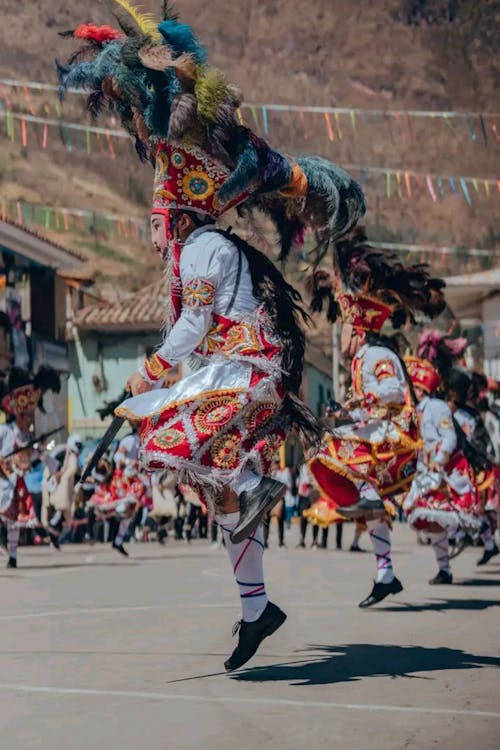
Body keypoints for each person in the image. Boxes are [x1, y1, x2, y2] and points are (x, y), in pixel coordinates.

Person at [58, 5, 364, 670]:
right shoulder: (198, 250)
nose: (153, 224)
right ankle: (257, 606)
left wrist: (143, 377)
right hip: (229, 372)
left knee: (168, 442)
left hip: (246, 373)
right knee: (215, 493)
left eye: (158, 215)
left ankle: (247, 490)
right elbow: (193, 334)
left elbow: (194, 327)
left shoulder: (201, 250)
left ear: (177, 213)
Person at [308, 229, 445, 606]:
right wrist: (348, 409)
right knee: (372, 513)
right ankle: (385, 573)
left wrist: (356, 406)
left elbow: (390, 394)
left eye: (348, 329)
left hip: (394, 435)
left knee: (330, 447)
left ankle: (365, 494)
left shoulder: (374, 356)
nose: (345, 336)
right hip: (380, 432)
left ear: (359, 330)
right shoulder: (363, 358)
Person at [403, 338, 482, 583]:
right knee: (429, 518)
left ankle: (467, 542)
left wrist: (439, 459)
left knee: (446, 515)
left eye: (415, 389)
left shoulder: (437, 408)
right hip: (427, 470)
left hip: (442, 471)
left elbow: (448, 437)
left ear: (422, 390)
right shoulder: (419, 410)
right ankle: (445, 568)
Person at [0, 366, 61, 567]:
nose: (29, 419)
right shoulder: (5, 431)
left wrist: (44, 453)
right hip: (1, 479)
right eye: (26, 416)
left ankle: (13, 556)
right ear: (18, 414)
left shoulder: (28, 437)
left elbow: (36, 456)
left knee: (14, 523)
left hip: (15, 484)